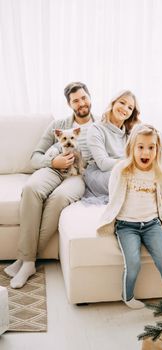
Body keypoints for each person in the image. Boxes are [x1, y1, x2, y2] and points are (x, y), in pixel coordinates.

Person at [4, 81, 94, 288]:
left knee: (59, 198)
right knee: (30, 189)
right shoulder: (58, 126)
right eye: (75, 100)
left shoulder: (102, 125)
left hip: (77, 176)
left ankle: (26, 259)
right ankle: (28, 262)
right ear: (69, 104)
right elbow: (34, 157)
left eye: (83, 98)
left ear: (90, 97)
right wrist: (52, 161)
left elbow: (136, 127)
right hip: (52, 169)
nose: (81, 103)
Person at [97, 123, 162, 309]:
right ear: (132, 148)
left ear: (157, 149)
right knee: (133, 264)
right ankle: (128, 296)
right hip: (126, 226)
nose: (145, 153)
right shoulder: (122, 170)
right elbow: (113, 197)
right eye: (140, 147)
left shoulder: (159, 173)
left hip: (151, 225)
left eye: (151, 147)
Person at [83, 90, 162, 203]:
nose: (125, 109)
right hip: (103, 174)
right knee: (133, 173)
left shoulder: (132, 129)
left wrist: (159, 148)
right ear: (113, 103)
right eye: (122, 103)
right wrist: (133, 161)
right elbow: (103, 164)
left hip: (128, 167)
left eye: (130, 108)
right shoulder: (96, 129)